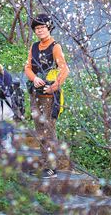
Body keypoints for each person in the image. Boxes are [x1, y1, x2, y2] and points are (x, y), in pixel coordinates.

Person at [25, 13, 69, 178]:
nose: (40, 30)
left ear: (49, 27)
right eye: (37, 28)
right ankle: (44, 165)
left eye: (43, 27)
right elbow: (28, 67)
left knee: (49, 129)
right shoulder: (34, 47)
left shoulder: (55, 46)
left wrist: (54, 87)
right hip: (35, 94)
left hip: (50, 96)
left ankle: (52, 168)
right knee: (39, 129)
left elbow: (64, 69)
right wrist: (34, 78)